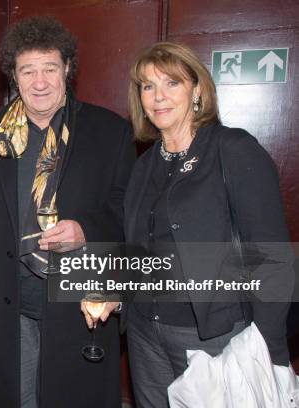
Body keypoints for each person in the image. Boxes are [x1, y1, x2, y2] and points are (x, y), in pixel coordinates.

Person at [0, 16, 135, 408]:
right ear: (14, 75)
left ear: (67, 70)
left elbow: (127, 211)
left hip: (78, 304)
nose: (39, 82)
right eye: (28, 71)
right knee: (17, 398)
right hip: (10, 304)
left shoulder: (109, 131)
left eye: (49, 68)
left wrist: (86, 229)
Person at [122, 41, 293, 407]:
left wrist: (270, 348)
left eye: (172, 83)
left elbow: (272, 255)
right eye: (148, 86)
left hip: (213, 335)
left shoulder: (232, 149)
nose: (158, 96)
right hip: (144, 332)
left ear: (197, 90)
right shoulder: (144, 164)